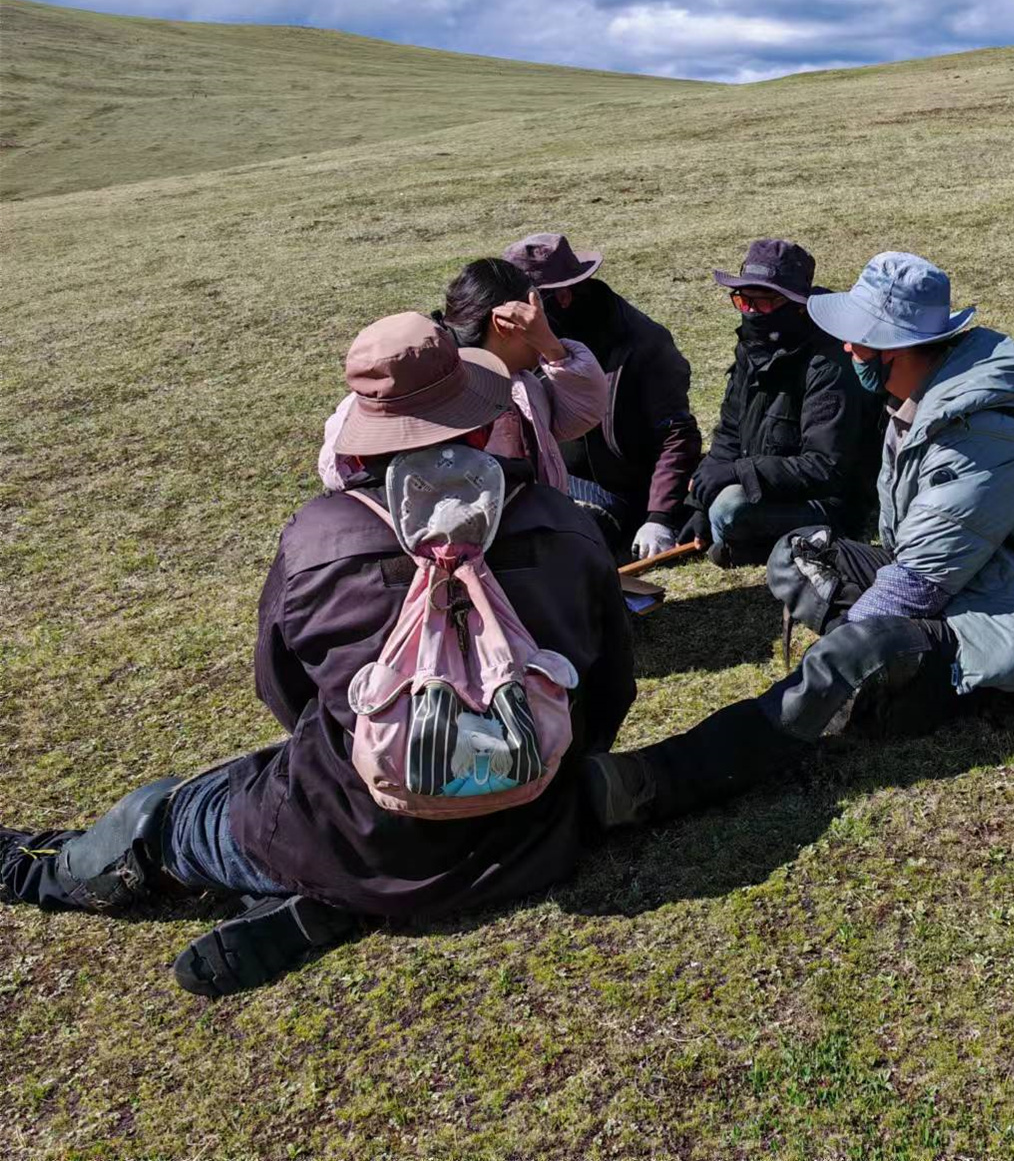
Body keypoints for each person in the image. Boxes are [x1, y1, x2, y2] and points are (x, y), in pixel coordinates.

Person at [1, 313, 636, 995]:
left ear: (366, 439)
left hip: (349, 836)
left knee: (165, 818)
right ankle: (332, 903)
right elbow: (609, 688)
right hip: (537, 825)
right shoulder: (563, 523)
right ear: (483, 426)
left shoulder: (319, 539)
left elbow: (283, 692)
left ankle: (30, 868)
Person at [581, 252, 1014, 827]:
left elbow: (916, 582)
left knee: (853, 649)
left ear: (898, 348)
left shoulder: (980, 434)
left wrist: (851, 645)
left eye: (861, 338)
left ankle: (657, 779)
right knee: (796, 553)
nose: (848, 347)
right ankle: (885, 677)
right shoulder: (921, 394)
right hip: (968, 577)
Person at [318, 257, 607, 493]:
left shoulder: (523, 384)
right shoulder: (418, 391)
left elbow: (581, 416)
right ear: (504, 324)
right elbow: (342, 461)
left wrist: (554, 350)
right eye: (537, 316)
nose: (546, 326)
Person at [677, 239, 883, 567]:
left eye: (763, 302)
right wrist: (699, 504)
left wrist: (736, 473)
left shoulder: (828, 364)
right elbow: (729, 433)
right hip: (767, 487)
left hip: (825, 502)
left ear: (797, 305)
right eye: (743, 301)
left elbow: (825, 467)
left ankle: (758, 544)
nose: (751, 312)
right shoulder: (751, 348)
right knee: (706, 497)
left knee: (729, 509)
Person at [504, 232, 702, 560]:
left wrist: (660, 517)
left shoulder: (642, 344)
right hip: (545, 477)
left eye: (526, 307)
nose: (519, 319)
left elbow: (676, 434)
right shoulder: (525, 339)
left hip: (615, 490)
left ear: (562, 297)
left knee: (559, 545)